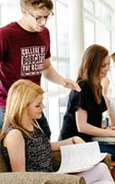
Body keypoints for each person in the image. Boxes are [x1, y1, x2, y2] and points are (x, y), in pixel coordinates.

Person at [0, 0, 80, 138]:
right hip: (8, 106)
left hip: (34, 103)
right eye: (38, 17)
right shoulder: (5, 35)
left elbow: (46, 66)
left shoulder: (44, 33)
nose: (43, 22)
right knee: (14, 146)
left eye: (47, 16)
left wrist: (62, 81)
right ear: (24, 12)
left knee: (45, 138)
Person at [59, 44, 115, 162]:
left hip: (89, 141)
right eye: (103, 65)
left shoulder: (97, 88)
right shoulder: (81, 88)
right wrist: (110, 133)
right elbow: (82, 126)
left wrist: (109, 129)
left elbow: (93, 121)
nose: (107, 69)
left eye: (108, 64)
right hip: (75, 144)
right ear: (92, 66)